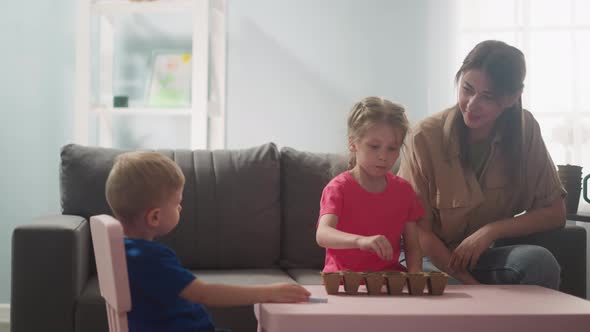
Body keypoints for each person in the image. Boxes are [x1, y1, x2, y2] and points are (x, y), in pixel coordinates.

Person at [398, 40, 565, 288]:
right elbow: (420, 232)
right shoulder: (424, 136)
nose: (472, 104)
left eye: (487, 96)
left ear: (512, 98)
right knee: (444, 288)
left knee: (539, 262)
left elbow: (555, 212)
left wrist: (492, 231)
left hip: (479, 257)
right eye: (467, 89)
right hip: (423, 256)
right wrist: (471, 285)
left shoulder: (525, 129)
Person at [105, 151, 310, 332]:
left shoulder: (122, 251)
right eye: (177, 203)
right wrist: (269, 292)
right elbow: (204, 294)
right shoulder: (151, 258)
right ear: (154, 217)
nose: (180, 208)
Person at [316, 96, 424, 274]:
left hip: (389, 281)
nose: (383, 156)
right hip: (343, 280)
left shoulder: (404, 191)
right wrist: (360, 241)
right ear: (353, 144)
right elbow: (323, 234)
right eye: (374, 146)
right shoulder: (338, 188)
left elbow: (413, 247)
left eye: (392, 148)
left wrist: (415, 278)